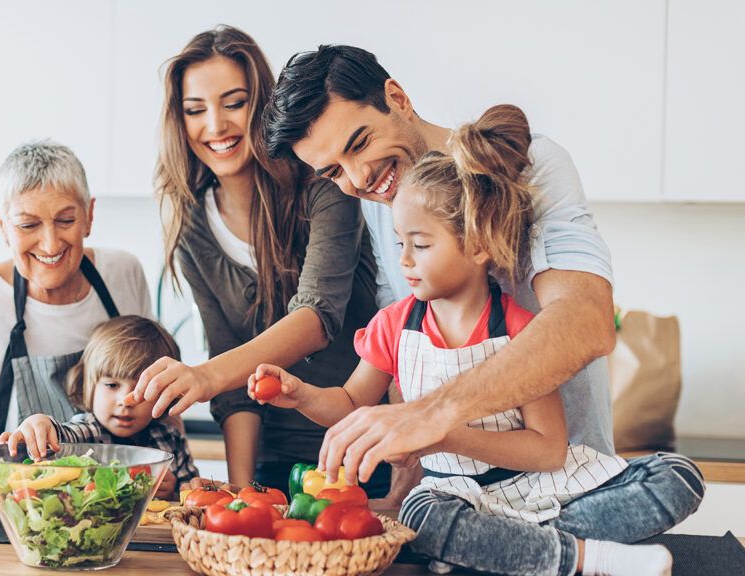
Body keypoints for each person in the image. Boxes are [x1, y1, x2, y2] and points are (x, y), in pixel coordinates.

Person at [251, 105, 703, 576]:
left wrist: (442, 430)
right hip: (456, 497)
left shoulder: (523, 331)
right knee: (423, 516)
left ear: (477, 245)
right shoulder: (393, 326)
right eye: (400, 243)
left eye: (421, 245)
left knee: (678, 477)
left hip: (539, 487)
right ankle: (586, 557)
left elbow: (548, 451)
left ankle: (508, 551)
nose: (404, 260)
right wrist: (300, 395)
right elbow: (350, 404)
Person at [262, 45, 622, 492]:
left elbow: (587, 321)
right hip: (457, 493)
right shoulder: (382, 201)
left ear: (397, 98)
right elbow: (403, 356)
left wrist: (433, 415)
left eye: (359, 143)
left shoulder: (532, 165)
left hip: (571, 482)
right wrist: (404, 485)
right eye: (333, 171)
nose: (359, 180)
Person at [134, 25, 389, 496]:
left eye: (234, 103)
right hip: (274, 464)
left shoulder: (324, 186)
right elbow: (232, 387)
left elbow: (316, 317)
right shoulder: (192, 226)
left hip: (364, 450)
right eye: (195, 110)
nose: (215, 126)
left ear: (263, 105)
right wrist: (241, 492)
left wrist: (203, 377)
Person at [0, 141, 152, 524]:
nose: (51, 243)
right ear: (2, 225)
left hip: (109, 515)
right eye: (28, 225)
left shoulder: (123, 275)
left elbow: (157, 401)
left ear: (89, 215)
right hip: (1, 520)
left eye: (66, 220)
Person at [0, 315, 199, 501]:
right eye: (112, 385)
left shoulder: (171, 438)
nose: (126, 401)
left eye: (142, 390)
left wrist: (174, 492)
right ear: (88, 386)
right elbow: (63, 436)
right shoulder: (88, 430)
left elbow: (192, 494)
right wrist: (41, 423)